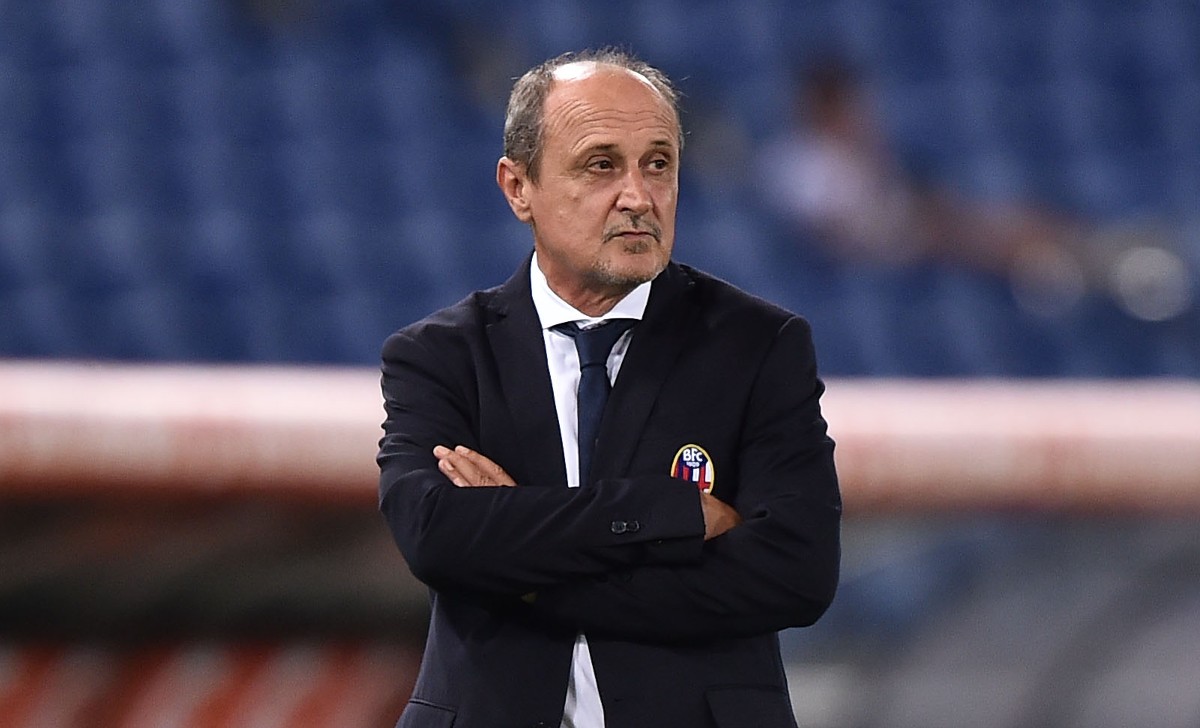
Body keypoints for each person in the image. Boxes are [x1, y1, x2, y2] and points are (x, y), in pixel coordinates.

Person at [377, 48, 841, 728]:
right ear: (518, 187)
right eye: (601, 165)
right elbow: (437, 538)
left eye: (658, 164)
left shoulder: (758, 347)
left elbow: (796, 573)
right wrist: (670, 512)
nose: (638, 196)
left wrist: (526, 576)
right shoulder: (440, 356)